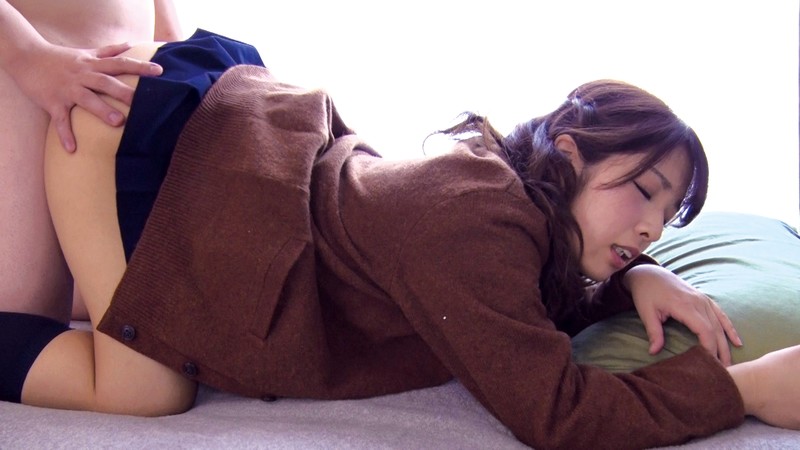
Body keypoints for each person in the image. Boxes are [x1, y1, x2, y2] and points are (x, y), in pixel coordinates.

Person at [9, 30, 800, 449]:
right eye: (644, 192)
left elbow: (516, 313)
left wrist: (634, 277)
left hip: (214, 142)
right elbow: (556, 413)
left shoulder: (512, 215)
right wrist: (743, 392)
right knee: (143, 396)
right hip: (138, 139)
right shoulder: (477, 221)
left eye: (668, 215)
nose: (651, 226)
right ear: (568, 153)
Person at [0, 0, 182, 325]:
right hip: (27, 83)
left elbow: (168, 34)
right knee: (23, 329)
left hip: (128, 117)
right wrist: (28, 54)